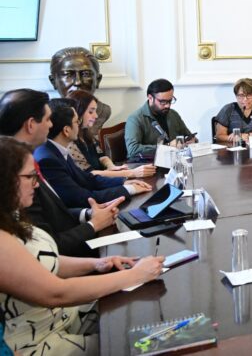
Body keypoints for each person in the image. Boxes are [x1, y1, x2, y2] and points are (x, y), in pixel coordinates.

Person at [0, 137, 164, 355]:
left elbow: (44, 260)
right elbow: (56, 293)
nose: (37, 184)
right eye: (30, 176)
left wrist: (97, 263)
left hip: (62, 317)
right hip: (38, 340)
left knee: (142, 320)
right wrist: (135, 275)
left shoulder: (13, 215)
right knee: (133, 343)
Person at [0, 89, 120, 258]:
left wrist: (88, 214)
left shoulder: (29, 157)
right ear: (31, 124)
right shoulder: (13, 171)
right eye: (48, 119)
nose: (51, 125)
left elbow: (54, 212)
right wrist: (94, 224)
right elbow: (48, 243)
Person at [35, 99, 152, 209]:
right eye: (76, 121)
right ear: (66, 130)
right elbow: (82, 198)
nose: (79, 124)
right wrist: (129, 189)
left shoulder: (57, 149)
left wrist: (123, 182)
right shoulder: (48, 160)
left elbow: (87, 178)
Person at [68, 89, 155, 178]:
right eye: (91, 112)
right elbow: (89, 174)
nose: (96, 116)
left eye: (95, 111)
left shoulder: (86, 134)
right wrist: (131, 173)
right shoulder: (69, 142)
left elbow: (101, 156)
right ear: (77, 112)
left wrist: (112, 167)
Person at [49, 47, 111, 137]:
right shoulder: (47, 114)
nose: (78, 82)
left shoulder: (103, 110)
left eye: (86, 74)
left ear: (98, 80)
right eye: (68, 74)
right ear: (53, 81)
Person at [125, 78, 194, 159]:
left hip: (173, 160)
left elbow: (187, 136)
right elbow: (133, 150)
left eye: (170, 101)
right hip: (147, 164)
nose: (167, 105)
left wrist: (191, 141)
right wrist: (167, 146)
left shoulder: (173, 114)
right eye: (163, 102)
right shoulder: (135, 119)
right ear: (150, 98)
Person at [214, 78, 252, 144]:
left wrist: (247, 136)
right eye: (241, 95)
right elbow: (219, 136)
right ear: (236, 96)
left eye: (249, 95)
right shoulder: (228, 109)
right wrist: (234, 137)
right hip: (234, 147)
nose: (245, 99)